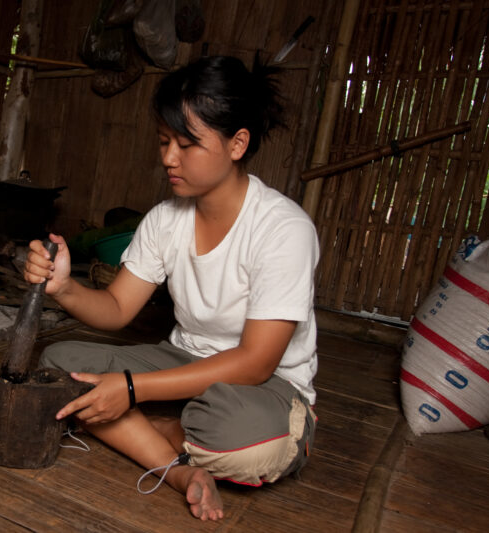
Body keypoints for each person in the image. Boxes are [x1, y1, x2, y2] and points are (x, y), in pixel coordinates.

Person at [23, 55, 319, 522]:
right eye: (164, 141)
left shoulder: (283, 228)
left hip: (263, 386)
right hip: (182, 362)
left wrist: (131, 388)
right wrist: (64, 287)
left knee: (241, 439)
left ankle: (151, 424)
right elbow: (118, 306)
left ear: (237, 143)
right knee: (60, 366)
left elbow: (257, 361)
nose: (168, 157)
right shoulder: (165, 219)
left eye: (187, 144)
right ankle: (179, 470)